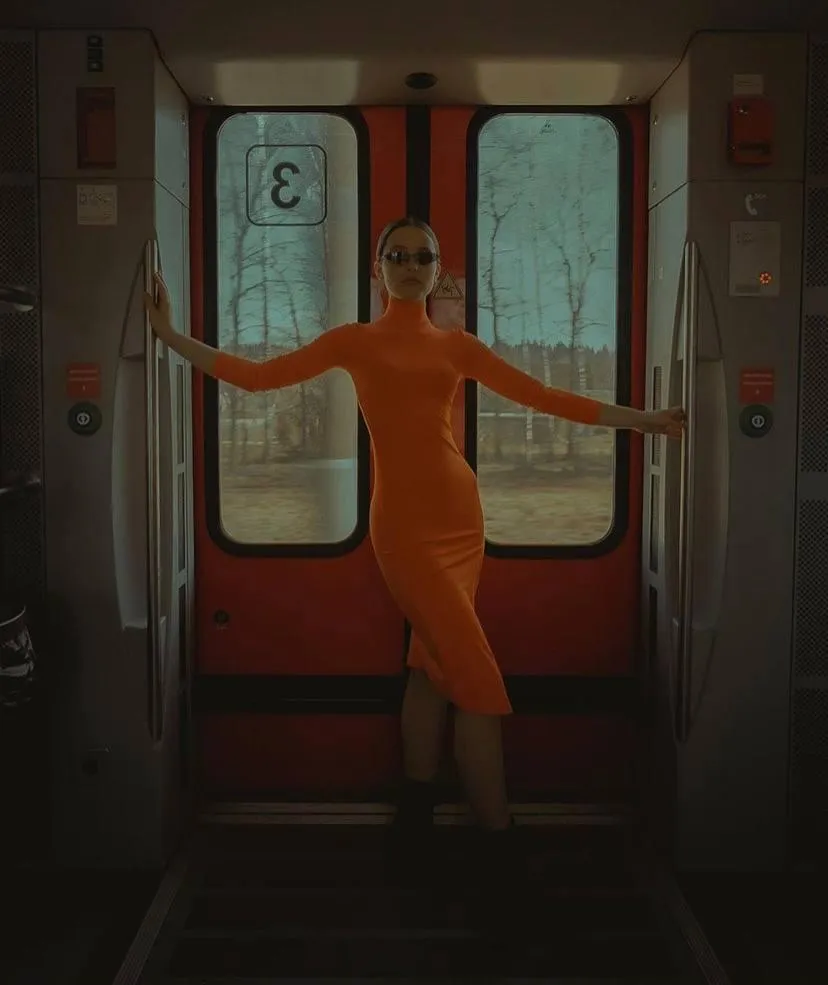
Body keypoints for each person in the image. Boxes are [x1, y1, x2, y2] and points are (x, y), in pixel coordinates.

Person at [145, 216, 684, 852]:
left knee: (430, 667)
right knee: (478, 685)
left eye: (421, 256)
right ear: (377, 269)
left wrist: (646, 421)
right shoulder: (354, 341)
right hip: (402, 527)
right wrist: (169, 334)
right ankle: (499, 844)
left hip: (462, 521)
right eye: (396, 255)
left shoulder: (458, 347)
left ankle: (416, 812)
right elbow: (256, 377)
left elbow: (544, 397)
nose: (409, 265)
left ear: (436, 271)